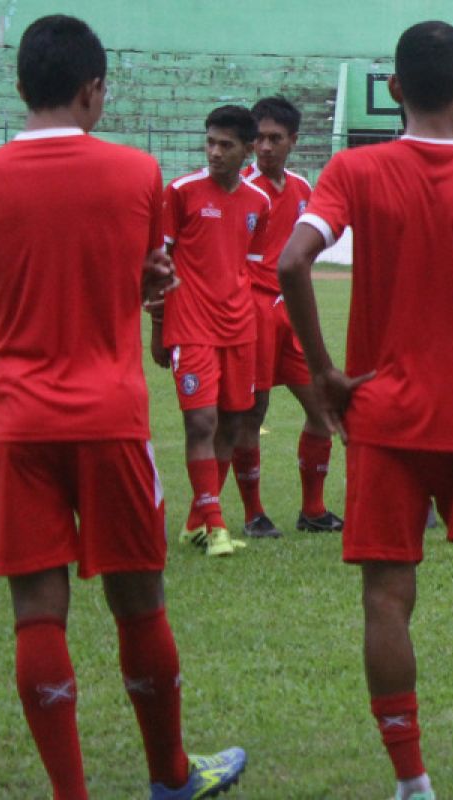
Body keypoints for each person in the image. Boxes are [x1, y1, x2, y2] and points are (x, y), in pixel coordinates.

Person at [278, 21, 453, 800]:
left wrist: (325, 373)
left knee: (386, 599)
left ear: (395, 89)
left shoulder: (354, 168)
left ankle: (412, 784)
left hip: (382, 423)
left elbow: (291, 261)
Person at [0, 15, 246, 799]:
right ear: (93, 89)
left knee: (36, 612)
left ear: (21, 87)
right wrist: (145, 285)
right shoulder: (137, 173)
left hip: (17, 419)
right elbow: (135, 277)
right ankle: (170, 775)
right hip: (110, 416)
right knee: (139, 602)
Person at [154, 105, 270, 557]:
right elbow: (157, 265)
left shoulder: (258, 203)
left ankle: (194, 521)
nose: (215, 152)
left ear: (247, 150)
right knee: (200, 421)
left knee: (232, 421)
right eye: (210, 143)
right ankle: (217, 526)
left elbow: (248, 265)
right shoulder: (180, 192)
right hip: (191, 326)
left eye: (226, 145)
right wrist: (159, 326)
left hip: (239, 328)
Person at [231, 95, 342, 538]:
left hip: (291, 313)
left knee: (321, 409)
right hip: (253, 311)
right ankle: (253, 513)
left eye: (275, 138)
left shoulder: (300, 188)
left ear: (293, 141)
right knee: (251, 412)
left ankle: (312, 509)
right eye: (258, 138)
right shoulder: (240, 187)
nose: (264, 147)